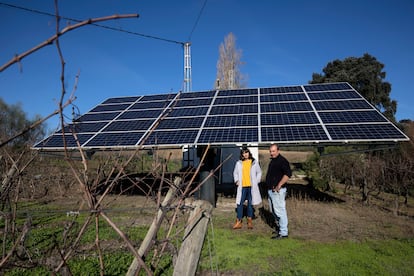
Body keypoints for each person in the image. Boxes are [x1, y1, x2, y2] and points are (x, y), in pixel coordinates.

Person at [265, 143, 292, 239]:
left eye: (273, 151)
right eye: (270, 151)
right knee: (274, 211)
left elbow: (288, 174)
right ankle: (280, 229)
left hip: (278, 191)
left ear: (278, 151)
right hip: (271, 191)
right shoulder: (273, 161)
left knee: (280, 211)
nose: (271, 153)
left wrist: (279, 185)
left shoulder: (282, 161)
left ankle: (284, 233)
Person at [232, 146, 262, 229]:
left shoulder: (254, 162)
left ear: (249, 153)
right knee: (240, 204)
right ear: (242, 154)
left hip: (251, 186)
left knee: (250, 204)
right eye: (243, 153)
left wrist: (257, 181)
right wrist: (236, 180)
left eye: (246, 152)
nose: (245, 154)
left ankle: (249, 221)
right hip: (242, 186)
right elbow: (235, 173)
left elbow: (259, 172)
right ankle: (239, 221)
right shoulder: (239, 163)